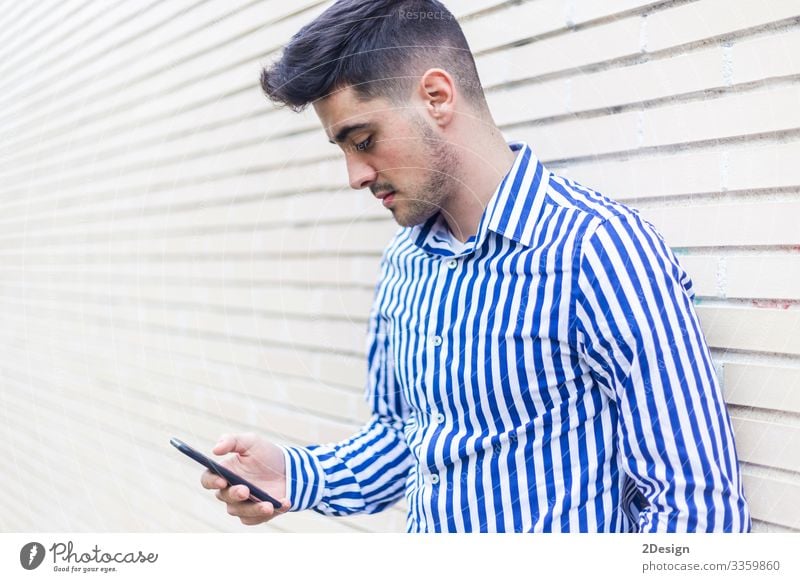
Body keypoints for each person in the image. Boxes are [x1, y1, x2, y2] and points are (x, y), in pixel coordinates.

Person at [199, 0, 751, 532]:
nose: (355, 176)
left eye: (363, 140)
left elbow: (695, 509)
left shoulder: (598, 253)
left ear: (436, 97)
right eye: (342, 149)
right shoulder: (405, 262)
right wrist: (297, 474)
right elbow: (405, 437)